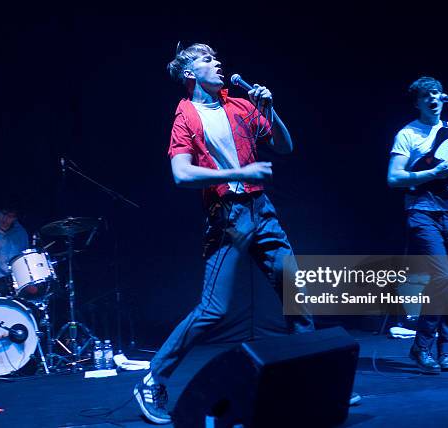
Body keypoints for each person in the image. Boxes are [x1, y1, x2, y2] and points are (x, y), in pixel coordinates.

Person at [133, 43, 317, 424]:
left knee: (295, 293)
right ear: (190, 74)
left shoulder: (241, 105)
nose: (217, 63)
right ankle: (152, 379)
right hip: (227, 217)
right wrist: (238, 174)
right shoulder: (186, 115)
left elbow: (285, 145)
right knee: (213, 310)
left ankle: (312, 383)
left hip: (262, 211)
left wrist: (271, 108)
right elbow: (182, 175)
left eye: (217, 58)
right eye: (207, 60)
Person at [387, 76, 448, 373]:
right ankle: (422, 345)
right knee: (442, 279)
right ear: (417, 101)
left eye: (438, 93)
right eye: (427, 95)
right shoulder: (407, 134)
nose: (434, 98)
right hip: (422, 213)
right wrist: (432, 174)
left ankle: (445, 350)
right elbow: (394, 178)